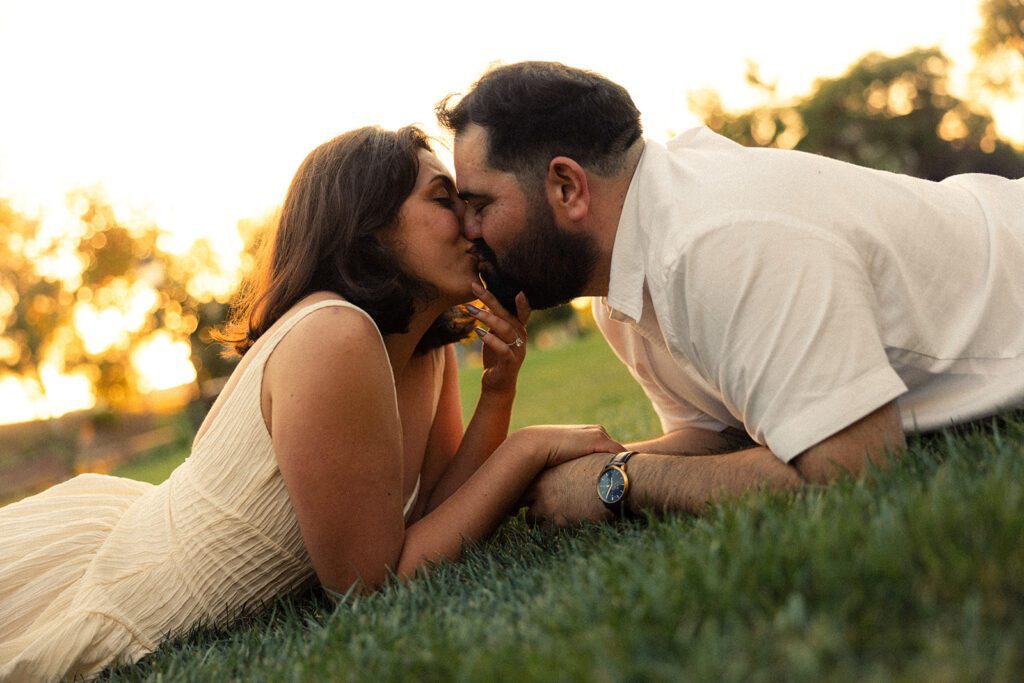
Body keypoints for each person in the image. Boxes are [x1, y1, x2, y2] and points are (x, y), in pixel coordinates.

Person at [0, 125, 623, 680]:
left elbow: (438, 514)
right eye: (444, 200)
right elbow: (369, 589)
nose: (472, 224)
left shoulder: (423, 349)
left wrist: (497, 396)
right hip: (134, 592)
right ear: (368, 225)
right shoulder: (334, 334)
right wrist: (528, 447)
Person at [436, 61, 1024, 525]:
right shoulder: (620, 285)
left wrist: (621, 481)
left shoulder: (719, 242)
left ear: (567, 187)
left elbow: (852, 472)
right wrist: (578, 467)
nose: (468, 231)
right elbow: (724, 431)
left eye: (480, 204)